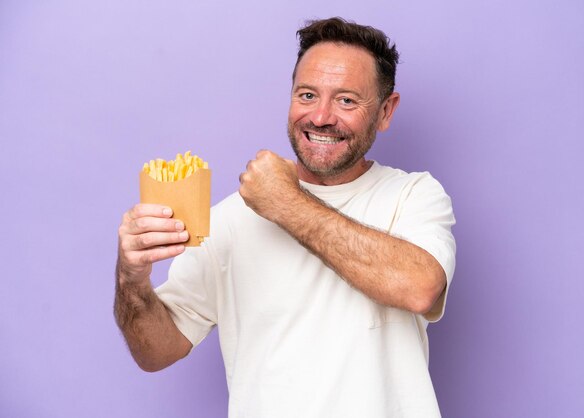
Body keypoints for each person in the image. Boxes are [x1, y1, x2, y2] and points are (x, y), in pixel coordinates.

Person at [115, 17, 456, 418]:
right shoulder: (229, 219)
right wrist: (131, 279)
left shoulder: (414, 196)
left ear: (385, 111)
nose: (321, 116)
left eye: (347, 100)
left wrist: (287, 204)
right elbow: (156, 352)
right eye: (307, 95)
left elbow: (420, 288)